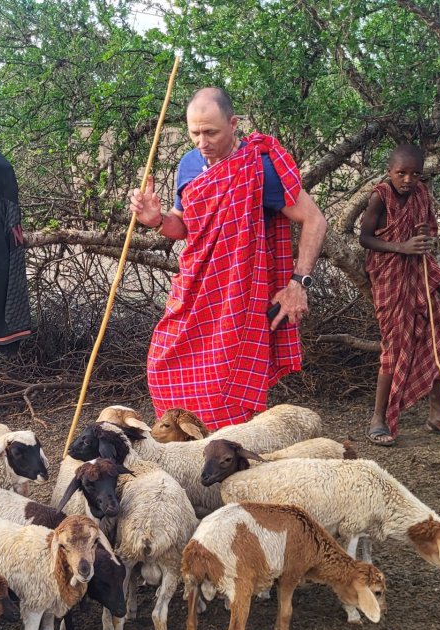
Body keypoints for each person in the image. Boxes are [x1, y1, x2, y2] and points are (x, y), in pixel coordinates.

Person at [129, 87, 328, 430]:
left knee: (222, 391)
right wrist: (157, 220)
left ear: (233, 123)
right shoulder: (189, 164)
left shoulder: (258, 167)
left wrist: (298, 284)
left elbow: (315, 220)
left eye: (211, 132)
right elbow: (183, 226)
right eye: (194, 133)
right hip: (193, 292)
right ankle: (187, 456)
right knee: (161, 367)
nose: (202, 142)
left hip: (238, 300)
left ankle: (228, 465)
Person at [359, 144, 440, 446]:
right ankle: (378, 419)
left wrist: (425, 236)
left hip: (419, 273)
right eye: (401, 173)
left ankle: (439, 415)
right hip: (390, 275)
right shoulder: (380, 196)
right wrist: (402, 247)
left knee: (436, 340)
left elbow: (429, 234)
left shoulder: (422, 193)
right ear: (389, 172)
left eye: (415, 174)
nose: (408, 179)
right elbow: (365, 238)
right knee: (395, 345)